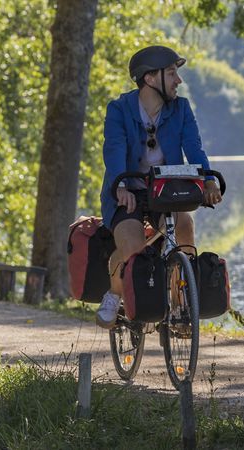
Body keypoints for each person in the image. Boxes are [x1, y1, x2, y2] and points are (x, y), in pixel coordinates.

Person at [95, 45, 223, 329]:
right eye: (172, 73)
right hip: (127, 191)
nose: (179, 80)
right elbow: (113, 151)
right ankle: (115, 294)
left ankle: (182, 304)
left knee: (185, 226)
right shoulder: (119, 109)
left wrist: (208, 181)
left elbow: (194, 148)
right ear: (150, 78)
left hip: (166, 190)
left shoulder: (181, 109)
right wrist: (120, 187)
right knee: (134, 248)